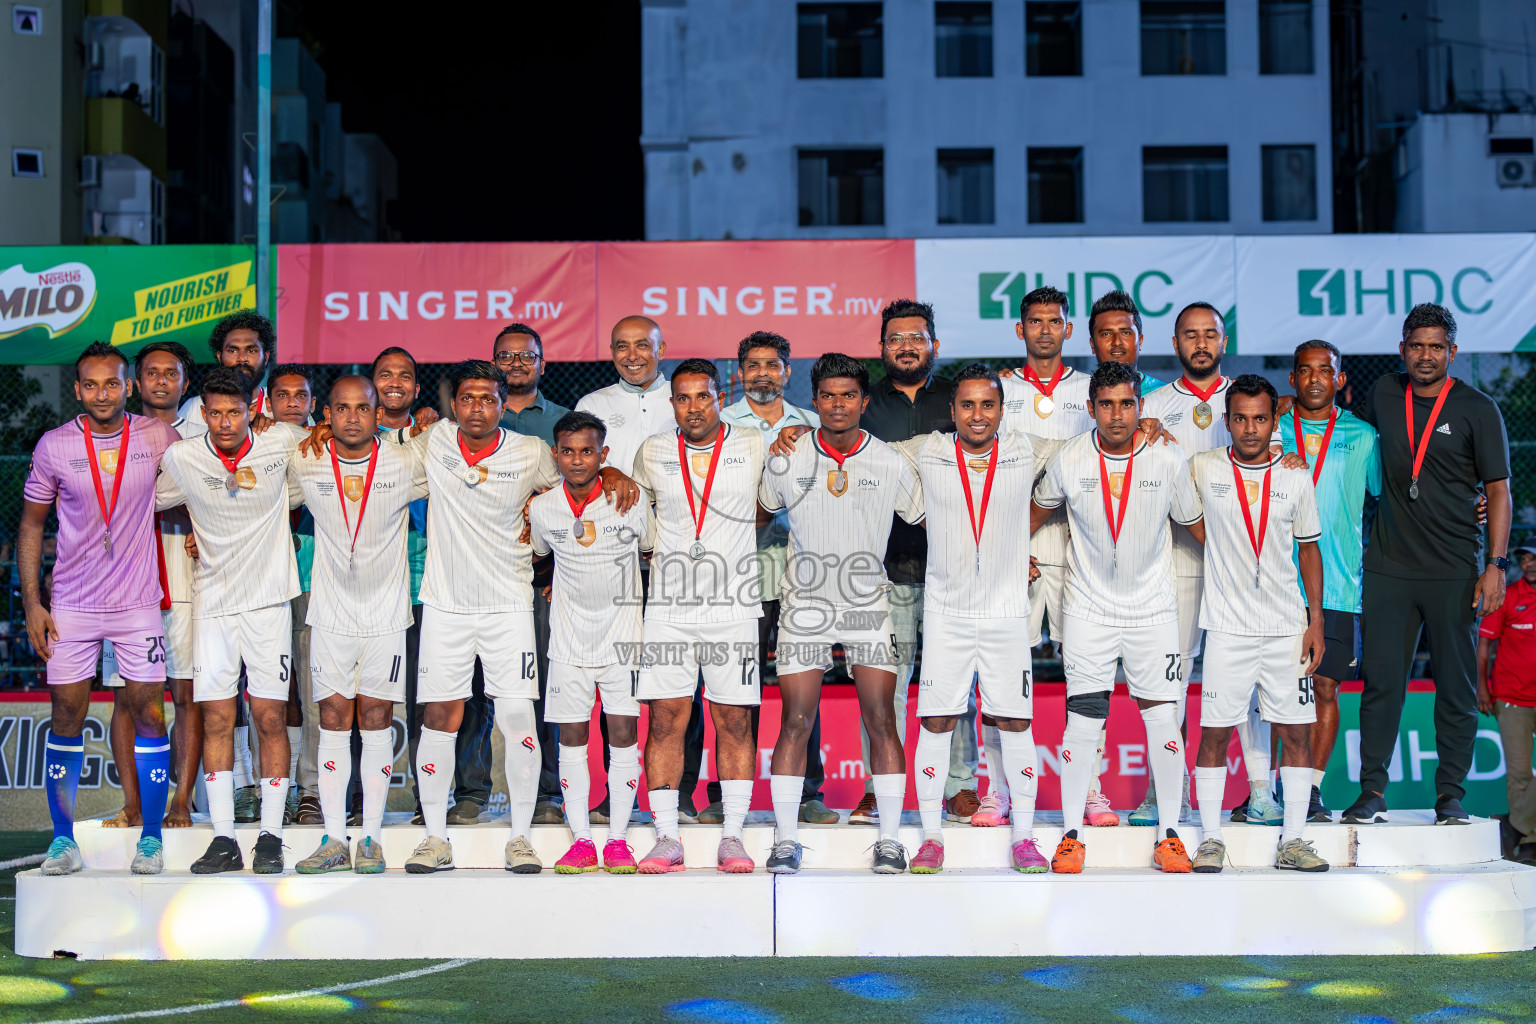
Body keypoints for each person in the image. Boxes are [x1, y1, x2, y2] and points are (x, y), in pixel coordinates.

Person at [385, 361, 638, 874]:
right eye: (467, 398)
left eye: (488, 398)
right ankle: (435, 839)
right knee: (438, 719)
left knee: (518, 718)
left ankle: (520, 838)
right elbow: (375, 457)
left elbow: (575, 478)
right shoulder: (433, 440)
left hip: (509, 607)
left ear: (504, 404)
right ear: (454, 404)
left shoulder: (529, 452)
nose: (477, 407)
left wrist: (611, 470)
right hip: (445, 606)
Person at [1345, 303, 1512, 827]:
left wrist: (1496, 565)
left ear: (1452, 353)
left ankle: (1451, 797)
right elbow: (1337, 421)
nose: (1425, 355)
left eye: (1436, 347)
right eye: (1416, 346)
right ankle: (1372, 791)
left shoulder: (1477, 408)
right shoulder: (1384, 394)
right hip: (1389, 567)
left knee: (1457, 689)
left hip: (1455, 571)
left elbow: (1499, 491)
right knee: (1381, 685)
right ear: (1402, 349)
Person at [1030, 361, 1200, 874]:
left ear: (1140, 407)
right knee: (1082, 720)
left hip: (1153, 611)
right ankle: (1070, 837)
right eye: (1107, 404)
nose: (1118, 414)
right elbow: (1032, 514)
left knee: (1162, 718)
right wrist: (1014, 551)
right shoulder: (1070, 458)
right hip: (1088, 609)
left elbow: (1198, 527)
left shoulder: (1168, 459)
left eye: (1127, 404)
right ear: (1091, 409)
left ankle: (1170, 835)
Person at [21, 343, 181, 875]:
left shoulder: (157, 436)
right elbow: (30, 526)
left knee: (149, 714)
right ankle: (63, 842)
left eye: (111, 384)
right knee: (67, 716)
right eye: (90, 385)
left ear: (128, 386)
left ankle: (152, 840)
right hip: (71, 605)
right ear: (77, 390)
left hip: (137, 603)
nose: (102, 394)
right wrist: (33, 605)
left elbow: (201, 480)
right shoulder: (55, 446)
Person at [760, 353, 921, 875]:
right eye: (827, 395)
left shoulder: (890, 461)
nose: (837, 404)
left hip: (868, 601)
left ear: (864, 401)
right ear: (815, 400)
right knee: (796, 721)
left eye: (848, 395)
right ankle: (785, 841)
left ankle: (891, 841)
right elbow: (759, 512)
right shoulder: (785, 456)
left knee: (881, 719)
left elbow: (923, 514)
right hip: (804, 602)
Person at [154, 367, 310, 874]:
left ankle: (270, 835)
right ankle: (224, 839)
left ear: (252, 411)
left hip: (268, 604)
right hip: (213, 606)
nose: (224, 423)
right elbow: (148, 500)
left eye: (235, 412)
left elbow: (323, 463)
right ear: (202, 413)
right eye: (215, 413)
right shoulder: (182, 456)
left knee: (269, 717)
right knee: (219, 718)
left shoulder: (280, 442)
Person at [905, 364, 1049, 873]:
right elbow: (868, 452)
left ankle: (1025, 837)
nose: (977, 415)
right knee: (937, 720)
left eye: (987, 405)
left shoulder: (1026, 448)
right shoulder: (928, 450)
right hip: (947, 612)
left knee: (1015, 720)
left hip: (1007, 612)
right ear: (952, 411)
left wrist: (1145, 427)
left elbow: (1085, 448)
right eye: (967, 405)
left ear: (1002, 411)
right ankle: (930, 837)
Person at [1186, 374, 1330, 874]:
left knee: (1296, 733)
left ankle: (1293, 841)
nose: (1250, 429)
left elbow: (1309, 549)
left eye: (1261, 419)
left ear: (1275, 422)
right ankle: (1209, 839)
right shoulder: (1203, 467)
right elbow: (1181, 513)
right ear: (1227, 422)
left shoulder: (1294, 475)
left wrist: (1315, 621)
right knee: (1214, 735)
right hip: (1227, 628)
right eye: (1241, 419)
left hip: (1287, 626)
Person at [629, 359, 766, 873]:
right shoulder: (654, 451)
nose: (692, 407)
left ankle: (732, 835)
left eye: (702, 397)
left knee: (733, 719)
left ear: (718, 396)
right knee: (665, 720)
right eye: (683, 398)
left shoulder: (752, 444)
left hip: (734, 606)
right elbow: (637, 511)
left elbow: (772, 501)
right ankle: (667, 837)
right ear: (672, 404)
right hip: (669, 608)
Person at [286, 376, 427, 874]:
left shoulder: (407, 460)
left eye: (362, 408)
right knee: (331, 722)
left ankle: (369, 837)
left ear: (377, 412)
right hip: (329, 616)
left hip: (387, 617)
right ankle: (332, 837)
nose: (352, 417)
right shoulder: (305, 458)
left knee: (376, 720)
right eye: (341, 409)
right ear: (326, 414)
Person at [848, 300, 979, 826]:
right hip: (884, 569)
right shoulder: (861, 404)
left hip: (955, 570)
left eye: (916, 337)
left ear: (934, 345)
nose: (906, 346)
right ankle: (880, 787)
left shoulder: (958, 401)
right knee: (885, 686)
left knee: (956, 684)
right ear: (882, 348)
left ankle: (961, 786)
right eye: (896, 338)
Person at [1139, 302, 1264, 827]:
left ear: (1223, 340)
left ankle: (1262, 792)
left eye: (1209, 334)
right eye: (1190, 335)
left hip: (1240, 567)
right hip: (1177, 562)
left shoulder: (1251, 403)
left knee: (1248, 679)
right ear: (1175, 343)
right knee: (1168, 683)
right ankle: (1166, 793)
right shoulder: (1151, 404)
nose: (1200, 343)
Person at [997, 286, 1108, 830]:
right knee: (998, 672)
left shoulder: (1093, 392)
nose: (1044, 329)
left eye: (1054, 321)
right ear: (1020, 330)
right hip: (1009, 548)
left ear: (1069, 330)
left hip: (1076, 547)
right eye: (1034, 321)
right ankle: (993, 789)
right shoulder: (996, 390)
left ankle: (1090, 788)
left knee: (1084, 673)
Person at [529, 411, 655, 874]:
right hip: (567, 643)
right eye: (567, 451)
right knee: (572, 740)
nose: (577, 460)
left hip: (625, 641)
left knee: (623, 737)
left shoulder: (630, 499)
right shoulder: (543, 508)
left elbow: (651, 552)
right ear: (555, 454)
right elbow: (541, 560)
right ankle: (582, 840)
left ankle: (618, 839)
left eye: (587, 451)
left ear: (604, 455)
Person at [719, 331, 833, 827]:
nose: (763, 373)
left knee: (802, 690)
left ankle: (807, 791)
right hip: (738, 574)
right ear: (739, 373)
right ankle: (728, 794)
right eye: (753, 365)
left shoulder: (814, 424)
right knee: (735, 689)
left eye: (773, 364)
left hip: (803, 575)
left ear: (788, 372)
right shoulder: (720, 425)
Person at [100, 341, 205, 832]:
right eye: (152, 373)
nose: (162, 381)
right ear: (135, 383)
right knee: (127, 697)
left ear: (186, 382)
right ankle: (134, 804)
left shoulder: (205, 432)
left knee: (185, 693)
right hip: (122, 582)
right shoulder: (106, 436)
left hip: (184, 579)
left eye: (172, 373)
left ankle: (181, 800)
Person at [1276, 340, 1381, 822]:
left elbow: (1392, 496)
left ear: (1340, 379)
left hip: (1338, 586)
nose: (1315, 378)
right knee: (1273, 693)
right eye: (1305, 371)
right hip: (1274, 582)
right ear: (1292, 380)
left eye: (1326, 370)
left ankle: (1311, 791)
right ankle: (1269, 791)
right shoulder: (1270, 428)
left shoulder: (1364, 437)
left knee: (1324, 689)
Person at [493, 323, 571, 826]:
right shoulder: (467, 422)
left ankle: (547, 793)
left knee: (542, 682)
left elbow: (579, 491)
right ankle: (472, 791)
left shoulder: (565, 422)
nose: (517, 363)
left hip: (544, 576)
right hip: (477, 576)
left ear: (543, 364)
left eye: (527, 356)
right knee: (479, 693)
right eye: (506, 356)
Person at [267, 365, 315, 825]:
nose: (292, 403)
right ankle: (266, 787)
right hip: (261, 579)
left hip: (311, 577)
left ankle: (310, 788)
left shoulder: (323, 444)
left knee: (309, 685)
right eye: (282, 395)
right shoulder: (257, 441)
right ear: (268, 401)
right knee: (266, 690)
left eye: (301, 395)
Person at [1478, 540, 1536, 865]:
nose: (1528, 563)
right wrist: (1482, 687)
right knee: (1519, 775)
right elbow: (1484, 644)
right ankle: (1528, 844)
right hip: (1512, 698)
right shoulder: (1508, 595)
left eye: (1533, 557)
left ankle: (1511, 827)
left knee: (1523, 778)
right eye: (1524, 558)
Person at [575, 315, 676, 479]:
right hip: (614, 503)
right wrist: (606, 471)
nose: (632, 356)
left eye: (642, 345)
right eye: (622, 347)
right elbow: (578, 462)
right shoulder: (591, 405)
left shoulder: (684, 399)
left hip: (676, 503)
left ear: (661, 349)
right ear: (612, 352)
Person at [179, 309, 274, 420]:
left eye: (251, 351)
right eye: (232, 351)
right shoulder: (194, 407)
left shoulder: (280, 401)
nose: (242, 359)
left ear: (266, 357)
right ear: (220, 357)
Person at [1085, 290, 1168, 395]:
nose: (1117, 342)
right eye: (1106, 334)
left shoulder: (1166, 395)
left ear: (1140, 341)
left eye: (1126, 333)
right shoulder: (1078, 396)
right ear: (1093, 345)